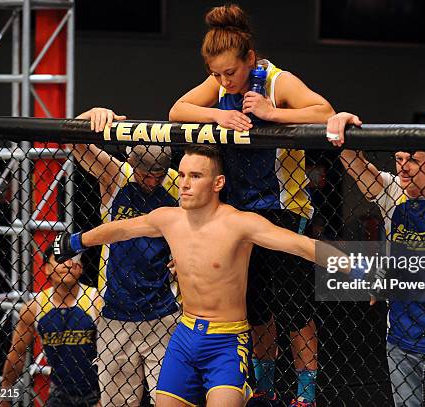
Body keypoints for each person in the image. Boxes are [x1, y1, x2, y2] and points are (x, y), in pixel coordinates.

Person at [52, 145, 345, 407]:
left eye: (195, 176)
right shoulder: (169, 218)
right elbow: (120, 229)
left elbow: (301, 245)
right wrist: (74, 241)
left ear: (217, 183)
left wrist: (364, 270)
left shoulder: (239, 223)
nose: (184, 185)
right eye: (181, 176)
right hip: (185, 334)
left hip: (227, 339)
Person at [169, 5, 335, 406]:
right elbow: (176, 111)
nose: (224, 81)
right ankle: (263, 387)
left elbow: (325, 111)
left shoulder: (277, 81)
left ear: (249, 59)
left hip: (284, 208)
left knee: (294, 308)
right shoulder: (221, 85)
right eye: (216, 75)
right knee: (256, 307)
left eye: (230, 73)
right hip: (239, 212)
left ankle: (306, 394)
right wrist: (218, 117)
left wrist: (270, 113)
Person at [328, 106, 425, 407]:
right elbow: (355, 165)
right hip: (400, 335)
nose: (404, 167)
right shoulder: (392, 193)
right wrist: (340, 123)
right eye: (399, 159)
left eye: (413, 159)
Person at [69, 108, 180, 406]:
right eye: (146, 174)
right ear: (131, 162)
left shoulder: (180, 185)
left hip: (164, 313)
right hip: (115, 314)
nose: (153, 182)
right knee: (118, 403)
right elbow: (72, 140)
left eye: (158, 175)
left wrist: (187, 255)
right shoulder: (116, 176)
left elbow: (207, 227)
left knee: (170, 400)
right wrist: (94, 114)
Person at [0, 245, 100, 407]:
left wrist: (107, 397)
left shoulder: (96, 301)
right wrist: (4, 395)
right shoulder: (34, 308)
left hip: (98, 391)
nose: (67, 264)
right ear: (46, 268)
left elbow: (116, 353)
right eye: (60, 259)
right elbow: (16, 353)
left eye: (73, 260)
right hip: (59, 391)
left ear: (80, 269)